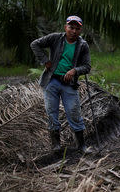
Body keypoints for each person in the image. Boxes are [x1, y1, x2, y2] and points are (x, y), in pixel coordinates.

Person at [30, 15, 91, 153]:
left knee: (74, 112)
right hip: (52, 81)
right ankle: (56, 146)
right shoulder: (56, 38)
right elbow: (35, 44)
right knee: (52, 112)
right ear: (66, 27)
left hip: (69, 84)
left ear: (80, 30)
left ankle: (81, 146)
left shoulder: (82, 45)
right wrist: (45, 60)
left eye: (77, 28)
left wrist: (75, 70)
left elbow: (87, 66)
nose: (73, 31)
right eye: (71, 27)